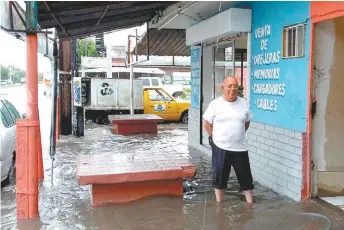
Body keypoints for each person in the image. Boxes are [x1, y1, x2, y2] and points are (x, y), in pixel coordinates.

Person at [203, 76, 254, 204]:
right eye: (230, 86)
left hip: (240, 148)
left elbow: (247, 123)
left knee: (246, 180)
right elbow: (207, 123)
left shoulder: (244, 103)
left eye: (235, 86)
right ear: (223, 88)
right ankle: (219, 206)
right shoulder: (215, 104)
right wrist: (212, 137)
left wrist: (237, 135)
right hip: (221, 147)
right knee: (220, 180)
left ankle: (250, 205)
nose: (233, 89)